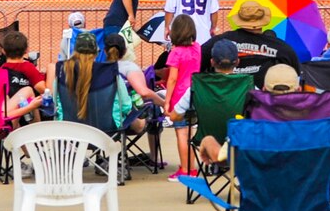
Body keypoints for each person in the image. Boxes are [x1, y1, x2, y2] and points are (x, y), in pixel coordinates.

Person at [197, 62, 301, 165]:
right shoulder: (313, 128)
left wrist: (208, 140)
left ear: (263, 89)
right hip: (302, 180)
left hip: (261, 181)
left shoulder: (247, 129)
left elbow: (220, 158)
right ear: (299, 90)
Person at [201, 0, 300, 89]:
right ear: (262, 19)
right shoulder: (279, 46)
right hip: (262, 101)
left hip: (222, 96)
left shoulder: (220, 41)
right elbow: (295, 73)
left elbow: (199, 61)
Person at [104, 32, 166, 169]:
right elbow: (144, 93)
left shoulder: (97, 68)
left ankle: (107, 156)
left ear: (104, 50)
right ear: (125, 50)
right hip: (127, 122)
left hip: (99, 121)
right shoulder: (128, 67)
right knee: (154, 107)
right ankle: (154, 157)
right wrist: (164, 104)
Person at [164, 15, 202, 182]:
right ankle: (192, 168)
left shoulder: (175, 52)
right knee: (190, 133)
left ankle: (185, 169)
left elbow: (172, 79)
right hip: (195, 93)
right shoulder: (198, 48)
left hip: (179, 95)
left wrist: (167, 101)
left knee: (181, 133)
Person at [0, 31, 44, 119]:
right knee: (52, 68)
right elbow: (43, 90)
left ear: (3, 51)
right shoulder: (28, 67)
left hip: (10, 116)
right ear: (26, 50)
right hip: (26, 117)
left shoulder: (1, 71)